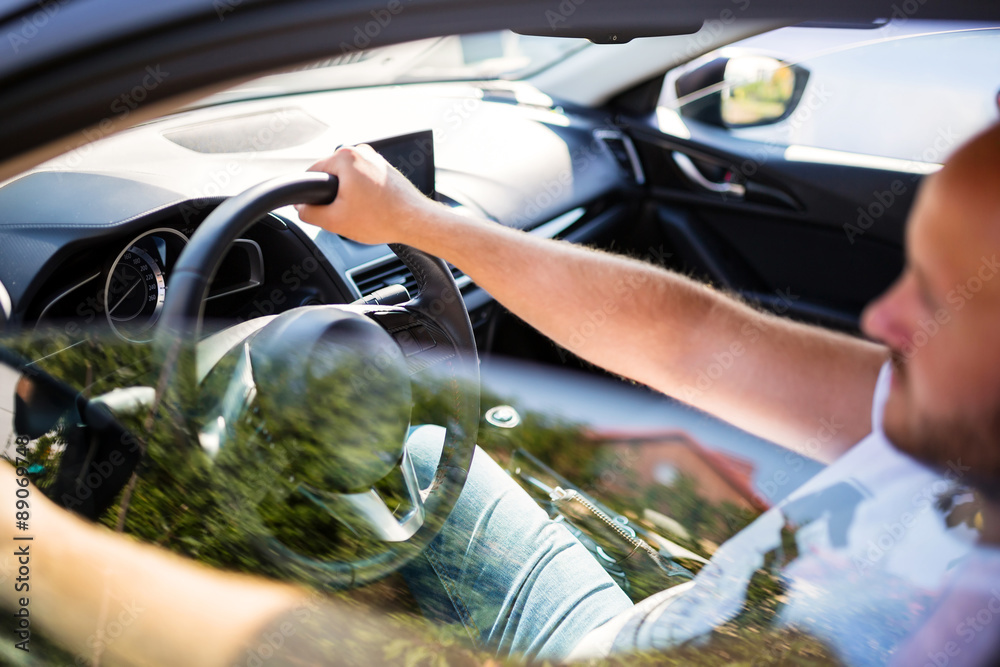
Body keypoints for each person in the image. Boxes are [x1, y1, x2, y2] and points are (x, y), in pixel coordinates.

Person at [2, 124, 998, 665]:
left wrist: (27, 542)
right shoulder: (955, 429)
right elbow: (698, 339)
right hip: (623, 640)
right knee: (419, 453)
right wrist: (423, 223)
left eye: (949, 301)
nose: (883, 320)